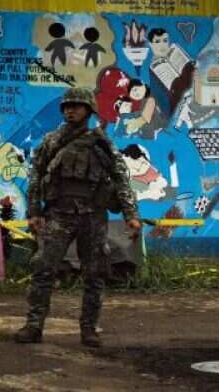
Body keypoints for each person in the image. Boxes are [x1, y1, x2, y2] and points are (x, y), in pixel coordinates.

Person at [14, 87, 141, 348]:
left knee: (95, 273)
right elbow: (36, 176)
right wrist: (34, 212)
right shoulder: (51, 141)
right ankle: (34, 325)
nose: (71, 110)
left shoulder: (102, 143)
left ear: (89, 110)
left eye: (77, 106)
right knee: (43, 269)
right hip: (59, 214)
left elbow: (120, 179)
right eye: (67, 106)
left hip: (93, 216)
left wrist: (131, 215)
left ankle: (89, 329)